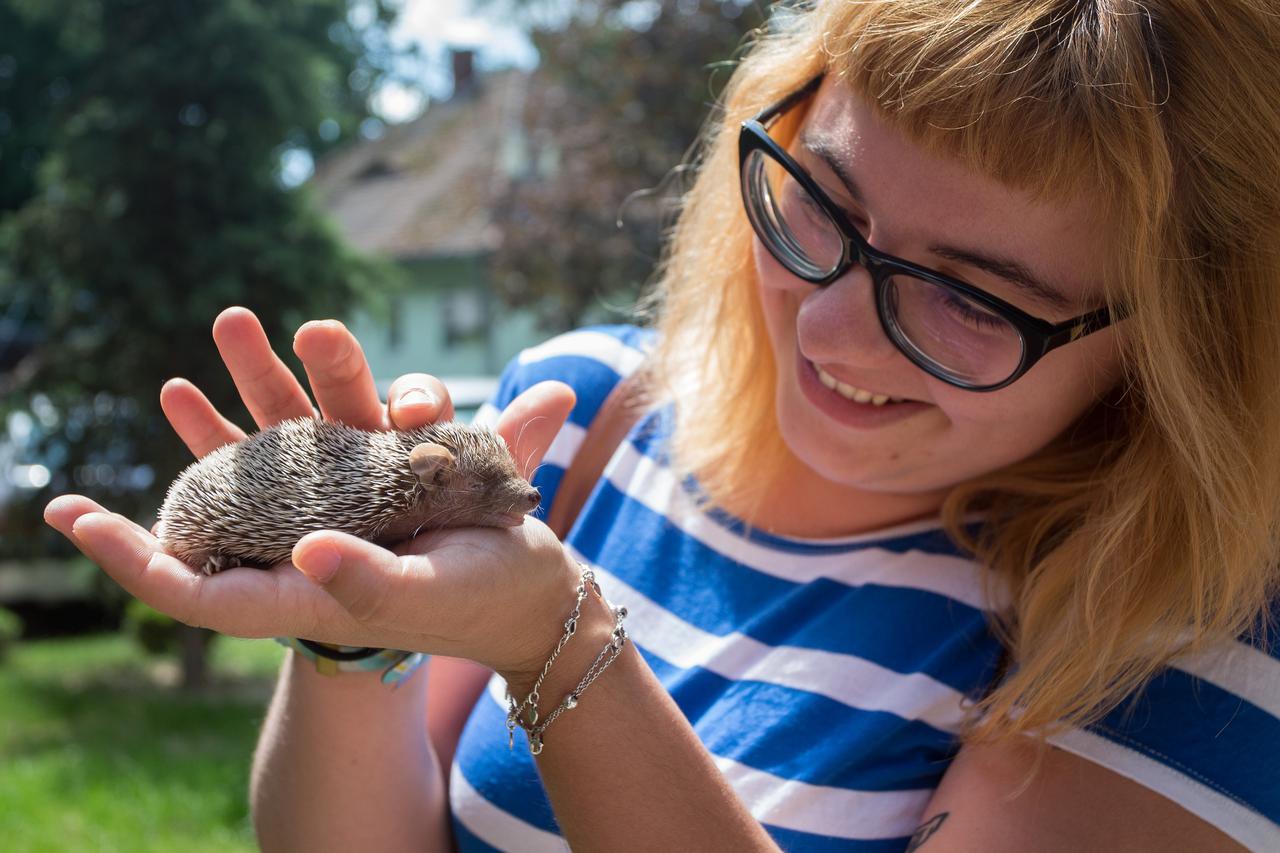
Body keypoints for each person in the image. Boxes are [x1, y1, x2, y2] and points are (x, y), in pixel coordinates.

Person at [43, 0, 1280, 849]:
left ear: (1177, 335)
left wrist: (557, 640)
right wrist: (356, 642)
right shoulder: (579, 411)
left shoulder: (1186, 642)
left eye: (967, 296)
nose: (832, 334)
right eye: (819, 201)